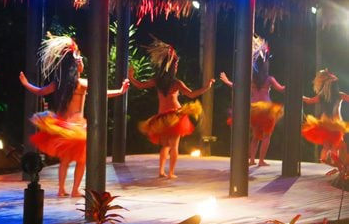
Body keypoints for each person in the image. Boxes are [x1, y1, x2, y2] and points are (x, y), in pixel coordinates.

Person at [19, 33, 129, 197]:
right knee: (82, 160)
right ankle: (74, 190)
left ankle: (61, 189)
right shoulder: (81, 83)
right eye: (80, 61)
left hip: (63, 127)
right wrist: (120, 91)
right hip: (77, 129)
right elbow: (102, 92)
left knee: (65, 160)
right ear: (76, 66)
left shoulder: (59, 84)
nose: (82, 63)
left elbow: (40, 91)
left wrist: (26, 83)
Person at [128, 36, 214, 179]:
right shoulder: (176, 83)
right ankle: (171, 173)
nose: (176, 67)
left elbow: (139, 85)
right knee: (174, 146)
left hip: (163, 117)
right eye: (175, 65)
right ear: (171, 67)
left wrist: (131, 77)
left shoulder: (157, 81)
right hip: (175, 116)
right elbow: (192, 95)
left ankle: (162, 171)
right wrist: (207, 87)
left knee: (165, 146)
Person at [219, 35, 285, 166]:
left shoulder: (251, 79)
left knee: (255, 136)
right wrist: (291, 86)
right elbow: (281, 89)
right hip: (266, 109)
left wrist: (227, 81)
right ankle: (261, 161)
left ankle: (252, 160)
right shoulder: (269, 79)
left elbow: (238, 86)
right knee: (266, 136)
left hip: (253, 109)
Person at [301, 69, 349, 163]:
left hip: (325, 122)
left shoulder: (322, 96)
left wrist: (298, 96)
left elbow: (309, 100)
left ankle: (323, 164)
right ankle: (334, 164)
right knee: (336, 145)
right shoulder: (340, 95)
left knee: (326, 146)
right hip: (336, 123)